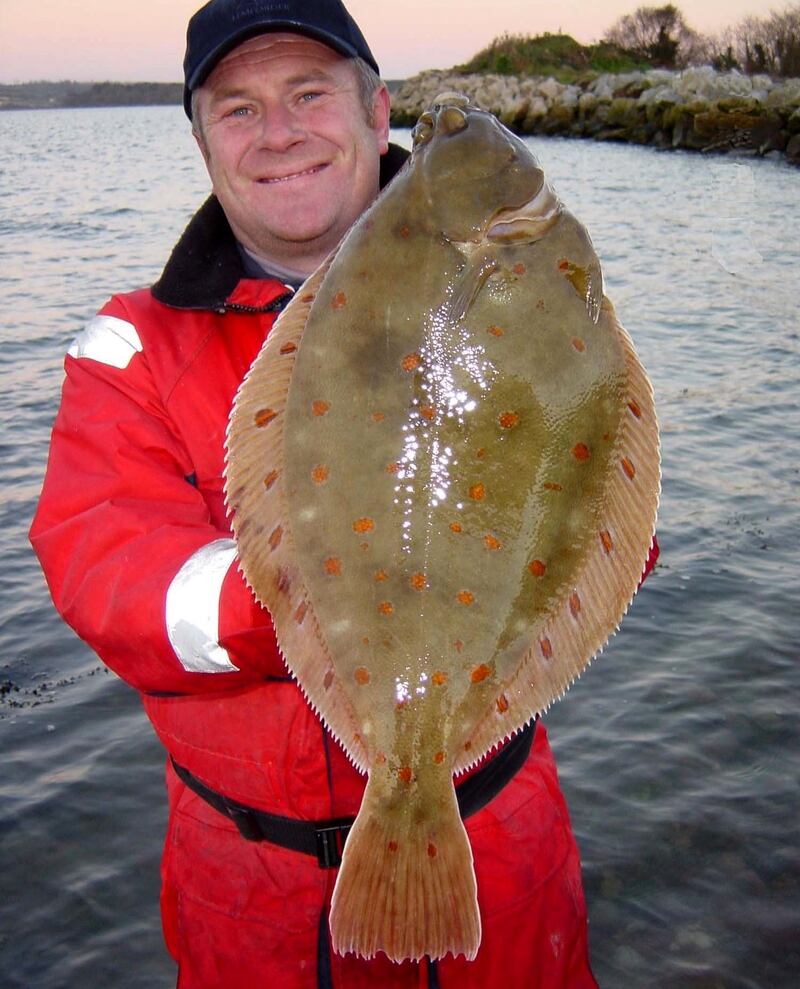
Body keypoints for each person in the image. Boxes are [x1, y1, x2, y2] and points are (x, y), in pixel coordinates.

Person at [30, 1, 658, 986]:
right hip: (250, 895)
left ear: (377, 113)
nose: (278, 132)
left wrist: (586, 545)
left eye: (308, 94)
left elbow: (590, 448)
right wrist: (315, 589)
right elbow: (104, 569)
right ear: (201, 143)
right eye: (238, 109)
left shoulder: (533, 271)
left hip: (499, 850)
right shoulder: (133, 347)